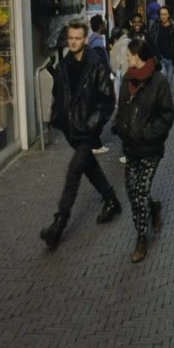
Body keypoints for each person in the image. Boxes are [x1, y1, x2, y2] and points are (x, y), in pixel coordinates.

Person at [41, 19, 120, 249]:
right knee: (88, 166)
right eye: (70, 38)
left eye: (77, 38)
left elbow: (107, 101)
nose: (73, 42)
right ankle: (112, 200)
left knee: (74, 171)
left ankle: (59, 224)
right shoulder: (64, 65)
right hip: (71, 129)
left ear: (85, 39)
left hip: (87, 130)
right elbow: (60, 93)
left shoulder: (96, 64)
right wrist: (58, 117)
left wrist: (91, 124)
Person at [115, 38, 174, 263]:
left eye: (129, 55)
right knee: (132, 192)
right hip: (130, 147)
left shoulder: (158, 82)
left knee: (140, 192)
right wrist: (119, 125)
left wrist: (147, 132)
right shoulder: (126, 79)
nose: (126, 59)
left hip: (150, 148)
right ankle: (154, 207)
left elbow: (167, 115)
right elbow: (122, 107)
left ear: (138, 57)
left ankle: (141, 238)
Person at [148, 5, 174, 80]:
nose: (163, 16)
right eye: (161, 14)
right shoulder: (155, 27)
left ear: (169, 15)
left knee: (168, 82)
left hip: (171, 59)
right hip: (160, 58)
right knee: (163, 76)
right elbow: (151, 41)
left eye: (165, 14)